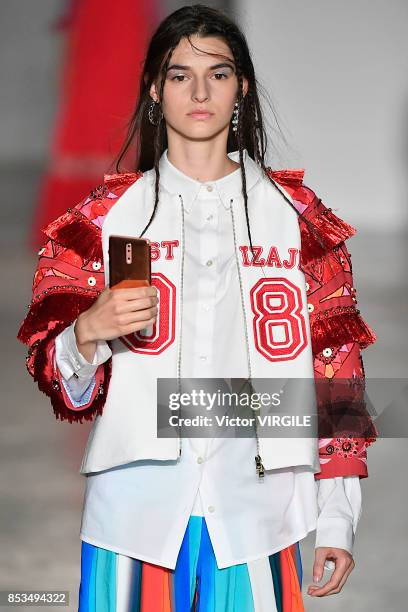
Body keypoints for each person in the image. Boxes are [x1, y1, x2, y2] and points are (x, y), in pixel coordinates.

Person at [17, 4, 377, 610]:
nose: (200, 91)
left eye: (219, 72)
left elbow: (335, 375)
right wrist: (86, 334)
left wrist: (337, 517)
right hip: (133, 516)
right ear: (156, 89)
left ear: (243, 88)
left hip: (259, 515)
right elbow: (58, 381)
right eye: (180, 75)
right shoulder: (104, 219)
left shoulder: (297, 219)